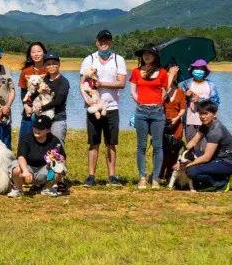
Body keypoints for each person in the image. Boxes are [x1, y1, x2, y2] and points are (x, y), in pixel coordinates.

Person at [79, 30, 127, 186]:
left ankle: (112, 176)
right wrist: (88, 101)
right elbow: (82, 84)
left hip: (111, 106)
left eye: (107, 41)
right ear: (96, 42)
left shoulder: (118, 59)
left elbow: (121, 83)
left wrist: (102, 84)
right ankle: (91, 176)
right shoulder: (89, 59)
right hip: (93, 106)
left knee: (111, 143)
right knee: (93, 142)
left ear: (111, 42)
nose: (104, 43)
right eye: (101, 41)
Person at [130, 44, 170, 188]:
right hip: (141, 111)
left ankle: (156, 178)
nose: (146, 56)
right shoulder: (136, 71)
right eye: (144, 54)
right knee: (141, 146)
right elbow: (133, 91)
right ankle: (142, 177)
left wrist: (158, 101)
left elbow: (166, 91)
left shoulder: (162, 72)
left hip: (157, 112)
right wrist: (140, 101)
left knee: (158, 146)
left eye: (150, 54)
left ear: (155, 57)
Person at [176, 100, 232, 191]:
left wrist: (187, 165)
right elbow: (192, 143)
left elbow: (206, 157)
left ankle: (221, 183)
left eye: (206, 114)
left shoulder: (215, 131)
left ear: (214, 114)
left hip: (226, 163)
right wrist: (181, 158)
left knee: (191, 171)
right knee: (193, 154)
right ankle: (203, 182)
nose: (202, 117)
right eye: (200, 114)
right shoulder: (205, 125)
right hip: (215, 158)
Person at [8, 115, 66, 197]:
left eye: (40, 128)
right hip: (28, 171)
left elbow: (63, 157)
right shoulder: (26, 139)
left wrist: (58, 158)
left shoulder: (54, 140)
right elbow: (21, 157)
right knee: (16, 169)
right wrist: (25, 171)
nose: (37, 130)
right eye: (35, 127)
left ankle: (47, 189)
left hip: (44, 171)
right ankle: (18, 189)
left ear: (48, 130)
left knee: (60, 168)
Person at [179, 59, 221, 158]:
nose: (198, 71)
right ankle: (191, 169)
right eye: (196, 69)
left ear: (205, 71)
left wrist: (201, 99)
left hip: (207, 121)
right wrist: (185, 95)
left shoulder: (211, 85)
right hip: (190, 120)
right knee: (191, 146)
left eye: (201, 69)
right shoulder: (186, 84)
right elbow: (179, 101)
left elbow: (216, 102)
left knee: (206, 147)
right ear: (192, 70)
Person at [160, 62, 187, 183]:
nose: (173, 75)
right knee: (161, 149)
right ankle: (159, 174)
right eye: (170, 72)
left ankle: (170, 175)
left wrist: (176, 119)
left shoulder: (180, 91)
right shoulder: (162, 90)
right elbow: (159, 101)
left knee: (174, 150)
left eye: (175, 73)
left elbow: (182, 109)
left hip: (176, 123)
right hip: (162, 122)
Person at [35, 52, 69, 144]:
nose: (51, 66)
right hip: (43, 117)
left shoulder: (64, 82)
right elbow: (35, 94)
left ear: (59, 64)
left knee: (57, 147)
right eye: (48, 64)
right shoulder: (43, 79)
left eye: (54, 63)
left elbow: (58, 101)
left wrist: (42, 108)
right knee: (42, 145)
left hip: (57, 119)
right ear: (45, 66)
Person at [17, 41, 48, 141]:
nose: (36, 54)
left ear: (44, 53)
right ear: (30, 54)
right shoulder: (26, 71)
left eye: (39, 51)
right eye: (33, 52)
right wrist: (25, 106)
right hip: (29, 110)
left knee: (43, 140)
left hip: (44, 109)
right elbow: (23, 92)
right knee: (25, 139)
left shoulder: (49, 70)